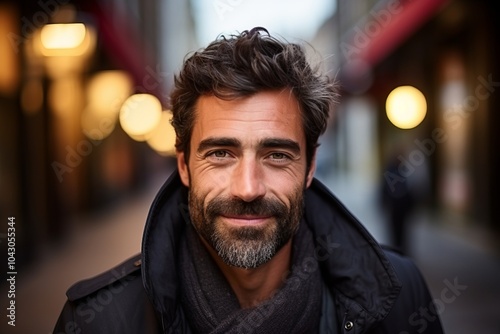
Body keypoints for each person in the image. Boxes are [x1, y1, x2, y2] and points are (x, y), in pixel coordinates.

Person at [53, 27, 444, 333]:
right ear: (184, 165)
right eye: (221, 154)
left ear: (309, 168)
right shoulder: (96, 322)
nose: (248, 188)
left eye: (277, 156)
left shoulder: (399, 296)